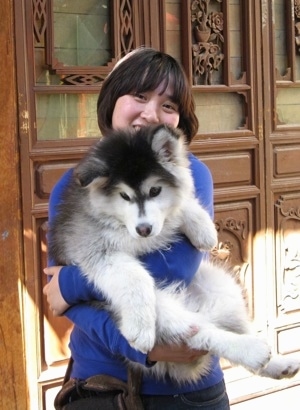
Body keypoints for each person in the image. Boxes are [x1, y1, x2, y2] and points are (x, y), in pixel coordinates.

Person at [43, 47, 230, 409]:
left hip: (185, 392)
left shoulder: (188, 175)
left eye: (169, 105)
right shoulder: (76, 183)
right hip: (98, 383)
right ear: (112, 99)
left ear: (179, 119)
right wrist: (136, 343)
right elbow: (65, 304)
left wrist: (71, 282)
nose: (151, 113)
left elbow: (171, 267)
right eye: (140, 96)